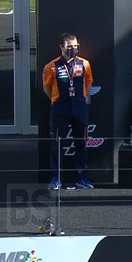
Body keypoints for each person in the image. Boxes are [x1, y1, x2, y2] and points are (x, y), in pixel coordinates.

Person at [42, 32, 94, 189]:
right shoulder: (51, 66)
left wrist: (83, 98)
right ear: (61, 47)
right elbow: (46, 88)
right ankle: (56, 178)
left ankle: (82, 178)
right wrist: (56, 100)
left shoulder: (84, 64)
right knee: (57, 143)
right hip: (60, 109)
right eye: (69, 46)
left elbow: (89, 82)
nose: (73, 49)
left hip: (79, 107)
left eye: (75, 46)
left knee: (81, 143)